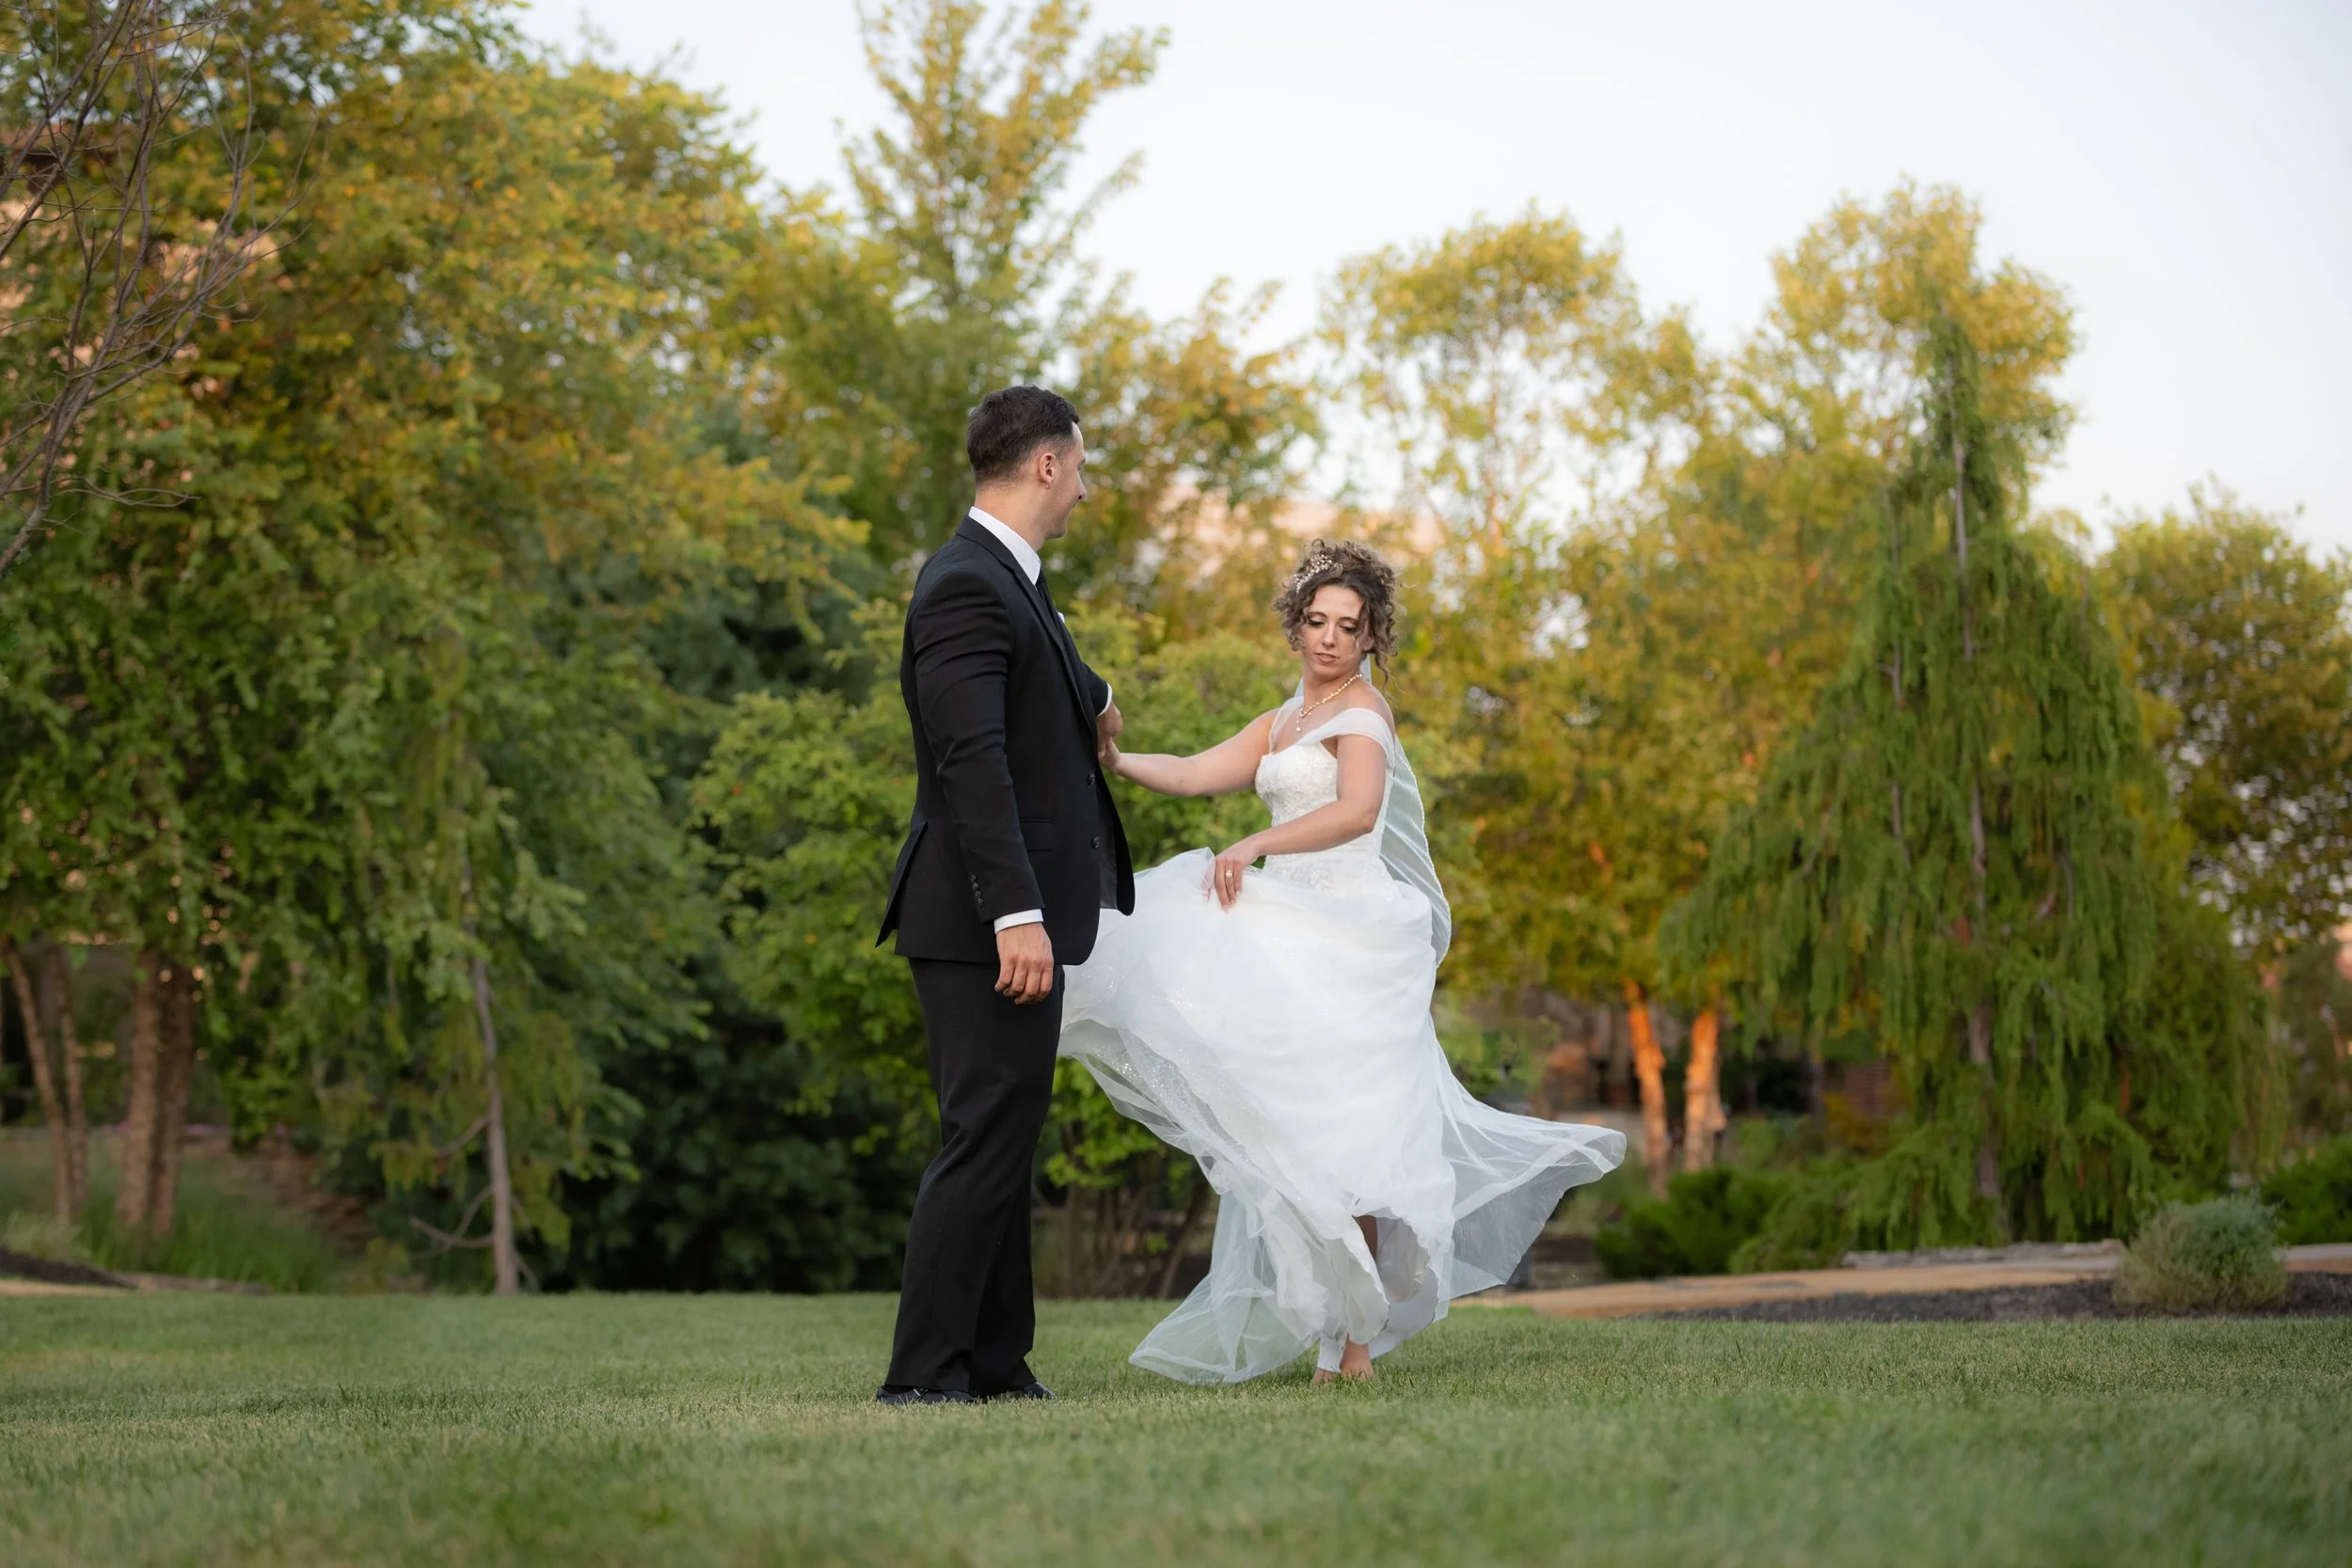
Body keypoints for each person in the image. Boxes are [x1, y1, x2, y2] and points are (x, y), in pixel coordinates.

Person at [1064, 538, 1624, 1384]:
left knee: (1347, 1146)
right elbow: (1191, 772)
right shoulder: (1284, 720)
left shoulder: (1364, 714)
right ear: (1296, 628)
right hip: (1284, 933)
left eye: (1349, 625)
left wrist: (1255, 841)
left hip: (1351, 936)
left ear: (1370, 639)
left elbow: (1360, 812)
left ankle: (1351, 1343)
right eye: (1317, 620)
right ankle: (1337, 1325)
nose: (1329, 637)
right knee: (1288, 1138)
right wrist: (1114, 758)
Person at [873, 385, 1133, 1406]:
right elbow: (970, 756)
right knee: (984, 1134)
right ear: (1045, 465)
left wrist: (1097, 695)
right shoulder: (964, 584)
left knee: (1004, 1136)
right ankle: (924, 1377)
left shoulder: (1004, 577)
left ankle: (994, 1363)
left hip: (996, 912)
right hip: (981, 915)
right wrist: (1013, 913)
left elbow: (1037, 673)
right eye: (1081, 465)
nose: (1085, 487)